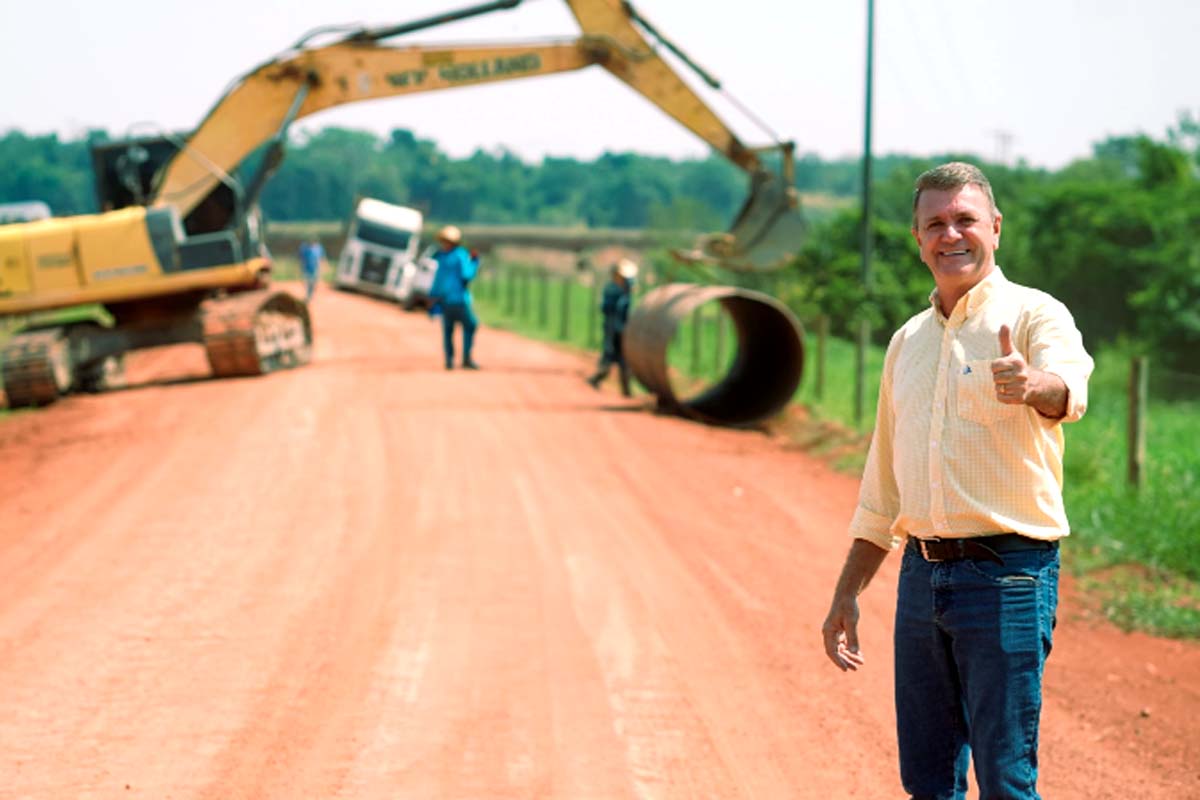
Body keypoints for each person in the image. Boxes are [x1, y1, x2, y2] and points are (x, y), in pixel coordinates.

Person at [820, 162, 1094, 799]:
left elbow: (1068, 387)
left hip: (1008, 577)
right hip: (922, 578)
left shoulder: (1034, 316)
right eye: (935, 223)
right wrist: (847, 592)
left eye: (965, 219)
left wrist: (1034, 387)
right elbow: (883, 489)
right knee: (928, 780)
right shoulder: (906, 343)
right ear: (917, 239)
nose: (952, 234)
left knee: (1006, 780)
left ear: (995, 228)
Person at [429, 225, 480, 370]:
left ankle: (449, 360)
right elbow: (467, 274)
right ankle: (466, 358)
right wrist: (475, 262)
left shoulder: (441, 257)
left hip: (445, 300)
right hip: (459, 300)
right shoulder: (460, 255)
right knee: (470, 325)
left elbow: (437, 281)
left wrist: (433, 298)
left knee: (448, 330)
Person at [586, 258, 638, 396]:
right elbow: (608, 308)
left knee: (624, 358)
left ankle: (626, 390)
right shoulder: (612, 289)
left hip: (623, 327)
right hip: (612, 326)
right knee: (609, 353)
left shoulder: (625, 289)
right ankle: (597, 378)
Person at [297, 237, 326, 303]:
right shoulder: (304, 248)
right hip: (306, 269)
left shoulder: (319, 248)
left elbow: (322, 258)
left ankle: (309, 295)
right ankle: (308, 295)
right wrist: (300, 267)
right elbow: (301, 259)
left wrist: (323, 267)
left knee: (313, 283)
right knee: (307, 283)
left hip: (315, 269)